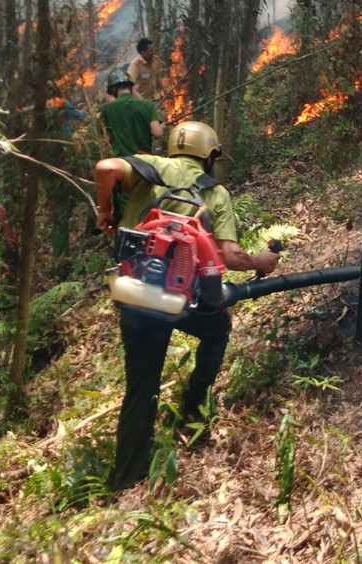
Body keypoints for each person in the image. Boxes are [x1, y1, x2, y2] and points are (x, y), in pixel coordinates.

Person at [94, 121, 280, 491]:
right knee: (218, 330)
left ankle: (127, 480)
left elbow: (105, 169)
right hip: (186, 299)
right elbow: (229, 256)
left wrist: (106, 212)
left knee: (140, 387)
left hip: (134, 295)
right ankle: (195, 407)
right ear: (209, 155)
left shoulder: (150, 168)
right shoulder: (215, 193)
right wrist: (261, 262)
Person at [100, 70, 164, 156]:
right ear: (131, 87)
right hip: (144, 159)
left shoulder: (106, 108)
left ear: (114, 89)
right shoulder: (148, 105)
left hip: (121, 160)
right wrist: (163, 126)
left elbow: (105, 136)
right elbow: (158, 133)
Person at [126, 37, 160, 102]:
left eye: (153, 50)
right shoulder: (135, 65)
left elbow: (157, 77)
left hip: (156, 99)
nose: (153, 52)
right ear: (143, 52)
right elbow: (128, 86)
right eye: (151, 51)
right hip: (143, 102)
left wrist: (165, 89)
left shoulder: (155, 61)